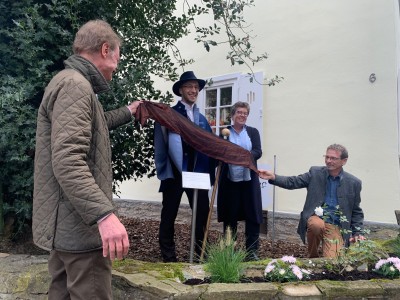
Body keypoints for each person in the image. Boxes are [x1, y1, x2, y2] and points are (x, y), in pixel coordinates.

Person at [33, 20, 141, 299]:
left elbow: (96, 124)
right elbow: (68, 160)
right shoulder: (76, 87)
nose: (116, 67)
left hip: (67, 230)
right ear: (106, 49)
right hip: (81, 232)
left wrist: (129, 111)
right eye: (117, 57)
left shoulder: (69, 82)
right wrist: (104, 216)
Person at [258, 144, 365, 258]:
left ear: (344, 161)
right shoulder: (315, 173)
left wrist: (358, 232)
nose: (328, 161)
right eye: (326, 157)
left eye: (333, 158)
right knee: (316, 225)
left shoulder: (354, 183)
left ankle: (327, 255)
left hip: (335, 225)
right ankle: (312, 256)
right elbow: (293, 181)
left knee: (334, 262)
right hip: (317, 218)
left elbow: (356, 210)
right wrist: (274, 177)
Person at [154, 71, 215, 262]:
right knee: (169, 214)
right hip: (175, 174)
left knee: (202, 214)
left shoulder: (202, 120)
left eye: (196, 87)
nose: (193, 90)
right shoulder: (168, 115)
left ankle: (199, 254)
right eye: (189, 87)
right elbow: (160, 144)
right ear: (181, 90)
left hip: (197, 174)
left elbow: (210, 144)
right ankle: (168, 257)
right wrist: (164, 169)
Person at [217, 101, 263, 261]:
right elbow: (219, 153)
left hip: (249, 180)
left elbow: (257, 151)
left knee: (253, 215)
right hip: (230, 181)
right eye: (239, 113)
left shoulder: (252, 132)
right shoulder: (224, 132)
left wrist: (243, 156)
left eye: (245, 113)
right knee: (231, 215)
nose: (242, 115)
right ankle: (229, 251)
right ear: (233, 115)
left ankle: (252, 252)